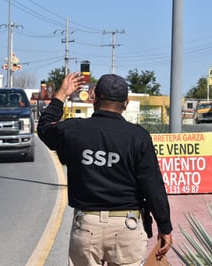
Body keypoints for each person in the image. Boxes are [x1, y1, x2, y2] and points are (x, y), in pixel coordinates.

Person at [37, 73, 173, 266]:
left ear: (94, 97)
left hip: (87, 226)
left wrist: (61, 95)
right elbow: (152, 185)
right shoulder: (138, 137)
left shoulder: (73, 130)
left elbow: (44, 127)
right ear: (126, 103)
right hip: (128, 227)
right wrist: (164, 227)